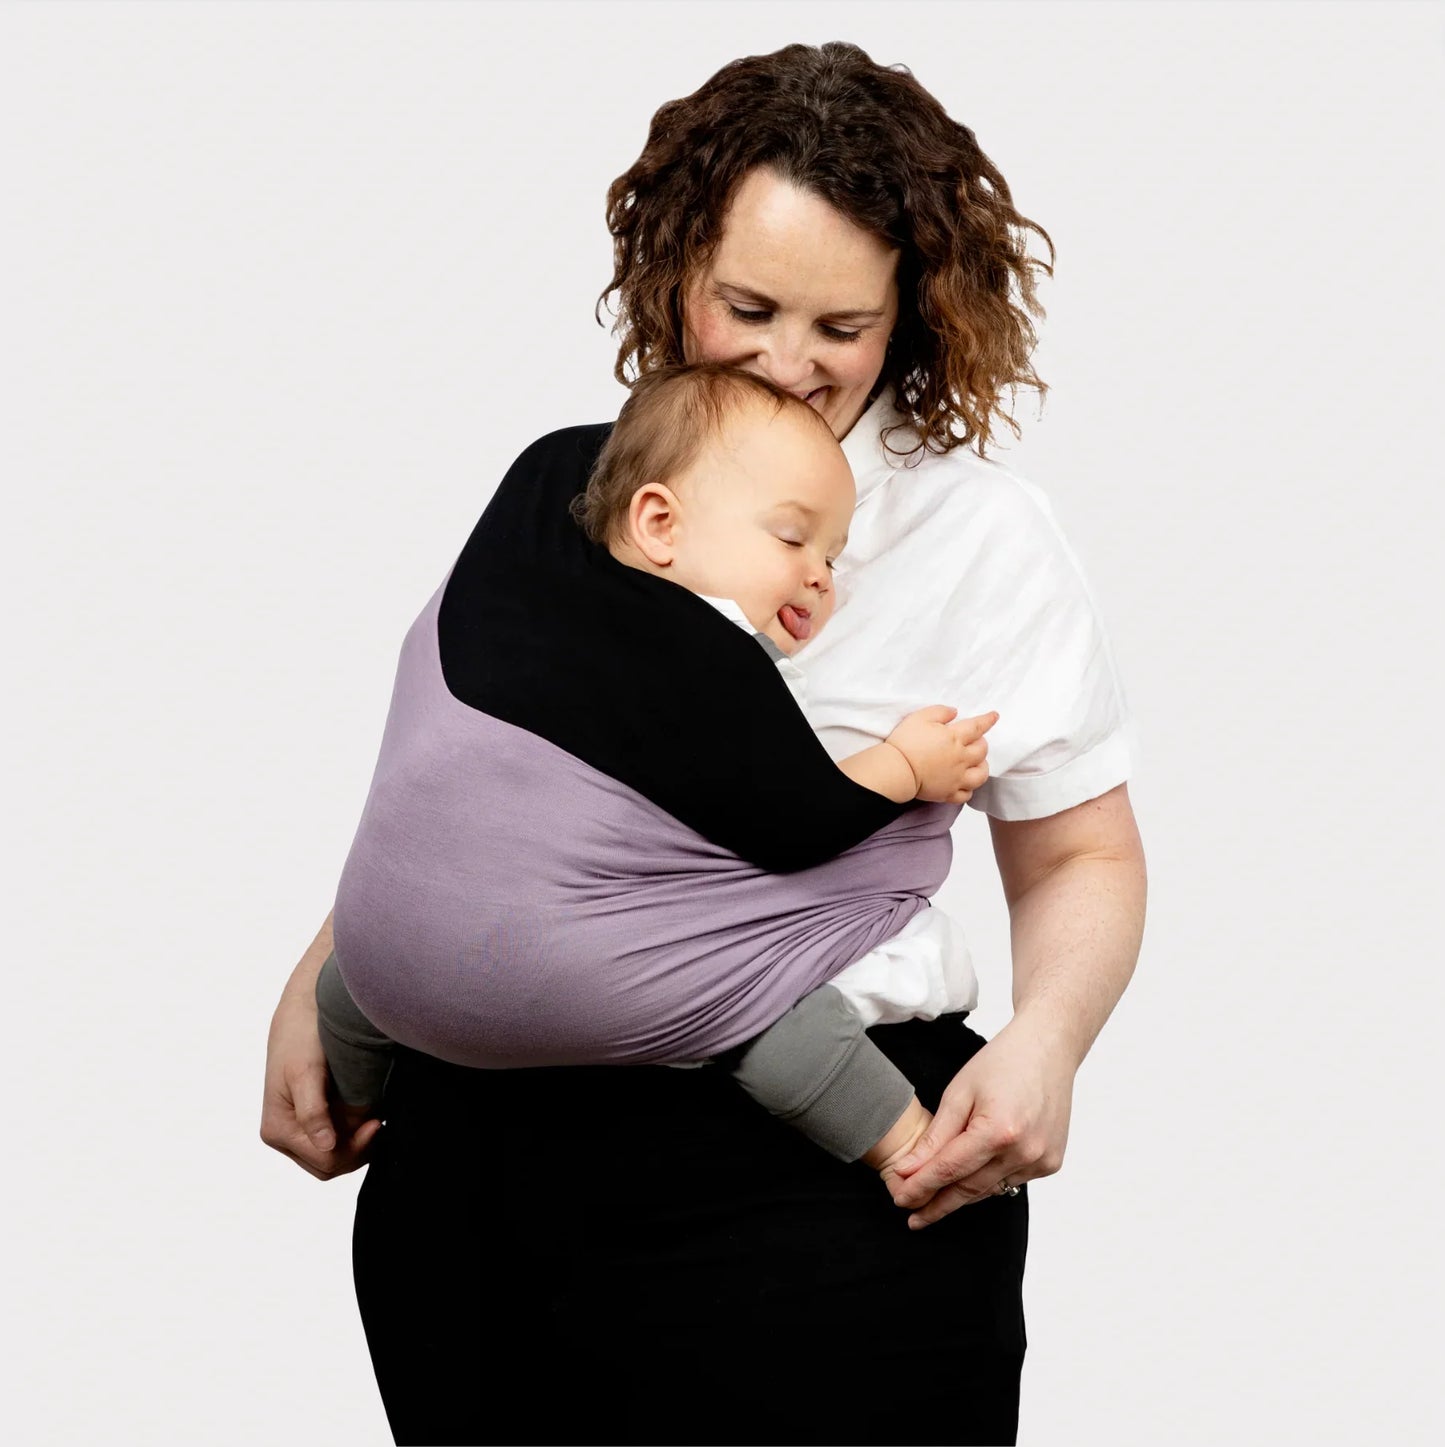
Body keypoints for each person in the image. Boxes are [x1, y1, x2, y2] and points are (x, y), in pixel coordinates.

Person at [260, 41, 1146, 1447]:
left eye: (842, 326)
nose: (790, 363)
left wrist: (1048, 1044)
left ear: (911, 318)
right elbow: (479, 786)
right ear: (674, 274)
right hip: (480, 1175)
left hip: (815, 1166)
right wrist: (330, 974)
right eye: (748, 307)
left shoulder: (979, 536)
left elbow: (1081, 854)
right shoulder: (599, 483)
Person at [314, 360, 997, 1179]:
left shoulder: (540, 588)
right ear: (660, 524)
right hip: (565, 984)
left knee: (348, 986)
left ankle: (346, 1107)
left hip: (380, 968)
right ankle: (910, 1150)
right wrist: (905, 764)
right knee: (764, 1011)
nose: (820, 573)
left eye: (832, 555)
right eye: (792, 537)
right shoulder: (712, 657)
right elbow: (795, 821)